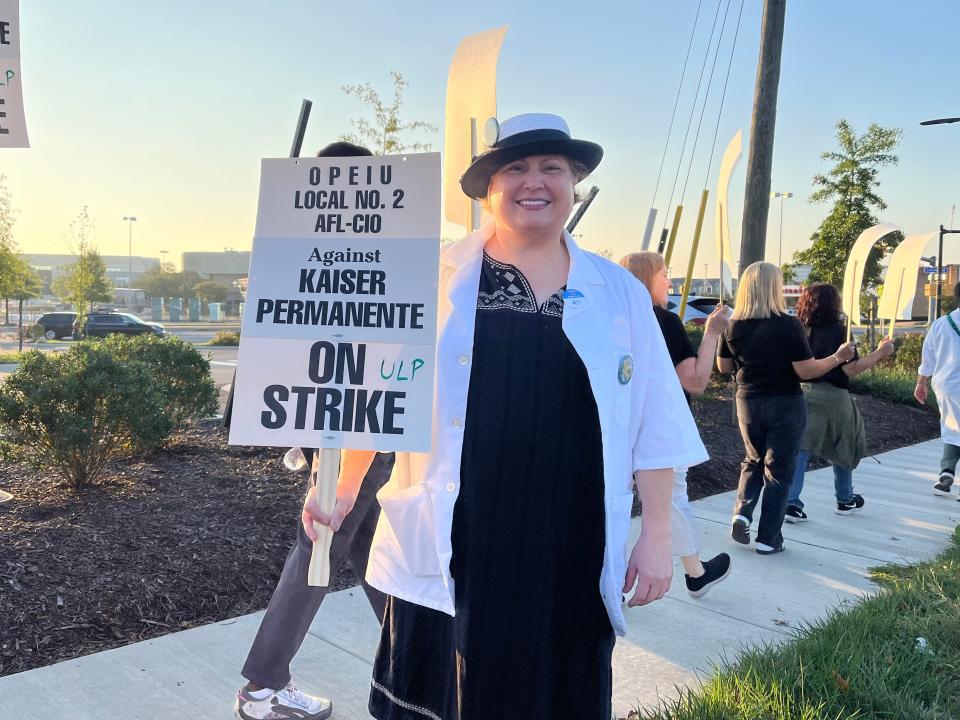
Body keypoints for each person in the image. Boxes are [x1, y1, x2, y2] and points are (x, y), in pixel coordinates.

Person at [302, 113, 708, 720]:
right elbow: (380, 393)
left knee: (553, 692)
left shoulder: (617, 291)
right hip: (457, 535)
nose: (533, 182)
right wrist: (343, 481)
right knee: (441, 691)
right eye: (513, 168)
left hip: (567, 541)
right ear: (488, 188)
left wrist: (656, 537)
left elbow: (656, 422)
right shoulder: (433, 279)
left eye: (551, 167)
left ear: (574, 182)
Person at [234, 141, 394, 720]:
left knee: (375, 549)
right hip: (354, 425)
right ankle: (260, 688)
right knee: (322, 545)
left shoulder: (302, 254)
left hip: (343, 420)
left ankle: (425, 661)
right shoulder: (357, 255)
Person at [717, 262, 855, 555]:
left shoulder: (732, 324)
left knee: (753, 459)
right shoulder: (788, 325)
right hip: (785, 402)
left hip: (747, 400)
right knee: (779, 470)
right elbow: (806, 371)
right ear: (773, 288)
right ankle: (769, 538)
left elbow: (724, 366)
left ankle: (741, 513)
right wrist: (838, 357)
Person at [620, 251, 731, 597]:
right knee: (670, 498)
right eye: (664, 274)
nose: (669, 281)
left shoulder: (614, 318)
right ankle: (694, 573)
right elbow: (696, 381)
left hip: (615, 426)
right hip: (658, 427)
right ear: (646, 278)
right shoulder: (661, 321)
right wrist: (712, 332)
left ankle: (694, 571)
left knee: (619, 501)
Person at [785, 283, 895, 521]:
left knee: (801, 448)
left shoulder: (797, 328)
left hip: (802, 393)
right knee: (844, 446)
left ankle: (791, 502)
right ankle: (844, 499)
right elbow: (851, 370)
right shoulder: (839, 331)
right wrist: (880, 352)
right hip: (834, 397)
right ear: (833, 302)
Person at [916, 282, 960, 498]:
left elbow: (928, 356)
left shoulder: (942, 324)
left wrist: (921, 382)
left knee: (953, 428)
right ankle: (946, 471)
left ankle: (947, 471)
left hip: (947, 386)